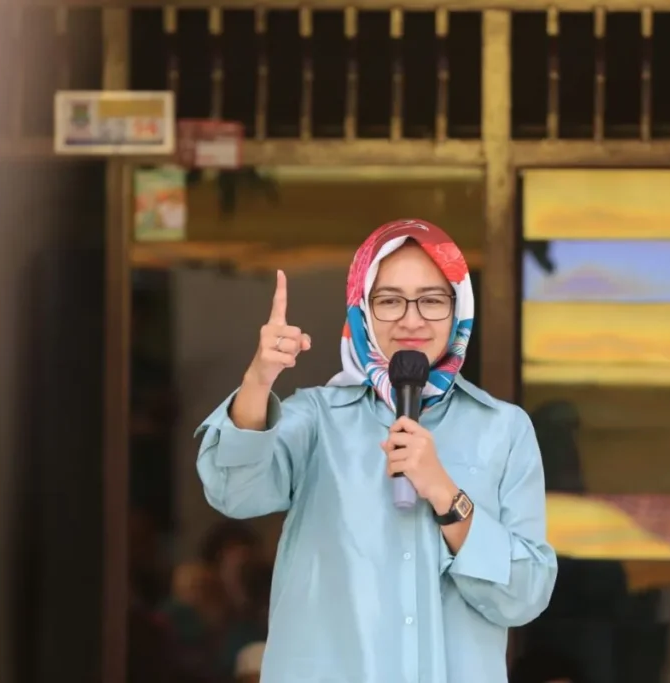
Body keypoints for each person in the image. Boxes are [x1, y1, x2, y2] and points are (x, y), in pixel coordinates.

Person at [195, 219, 558, 682]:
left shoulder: (503, 430)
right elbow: (232, 489)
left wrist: (445, 494)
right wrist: (258, 379)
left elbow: (525, 595)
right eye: (389, 301)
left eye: (432, 300)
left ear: (459, 308)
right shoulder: (317, 419)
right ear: (363, 310)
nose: (411, 319)